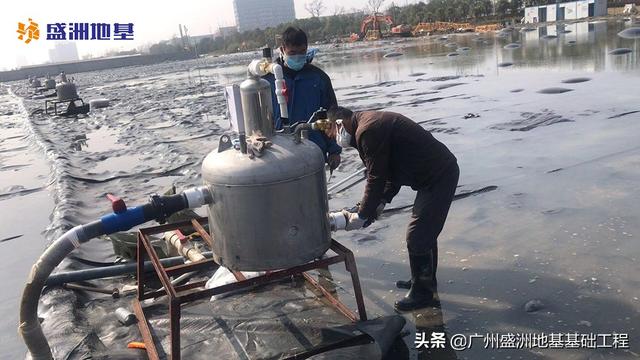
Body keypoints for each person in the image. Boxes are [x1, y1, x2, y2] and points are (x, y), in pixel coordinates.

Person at [325, 106, 459, 311]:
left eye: (332, 133)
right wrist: (381, 201)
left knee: (417, 235)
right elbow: (389, 172)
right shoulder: (366, 124)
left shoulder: (367, 131)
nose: (335, 138)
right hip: (432, 175)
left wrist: (362, 214)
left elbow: (376, 177)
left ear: (340, 124)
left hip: (439, 176)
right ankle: (423, 280)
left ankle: (423, 293)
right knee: (424, 232)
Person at [263, 26, 341, 171]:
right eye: (292, 52)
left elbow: (330, 115)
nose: (298, 56)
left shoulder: (319, 78)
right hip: (279, 153)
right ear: (282, 50)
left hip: (314, 149)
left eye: (302, 52)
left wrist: (334, 150)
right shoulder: (267, 80)